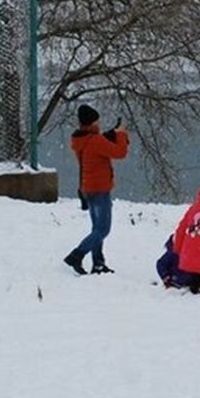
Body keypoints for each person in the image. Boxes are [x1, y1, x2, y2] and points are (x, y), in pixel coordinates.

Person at [64, 104, 129, 275]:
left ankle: (98, 263)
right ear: (92, 122)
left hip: (88, 188)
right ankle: (77, 255)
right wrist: (121, 133)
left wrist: (111, 133)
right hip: (100, 189)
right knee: (103, 230)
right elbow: (119, 152)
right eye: (97, 121)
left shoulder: (81, 140)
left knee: (96, 229)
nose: (99, 124)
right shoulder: (94, 141)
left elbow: (100, 142)